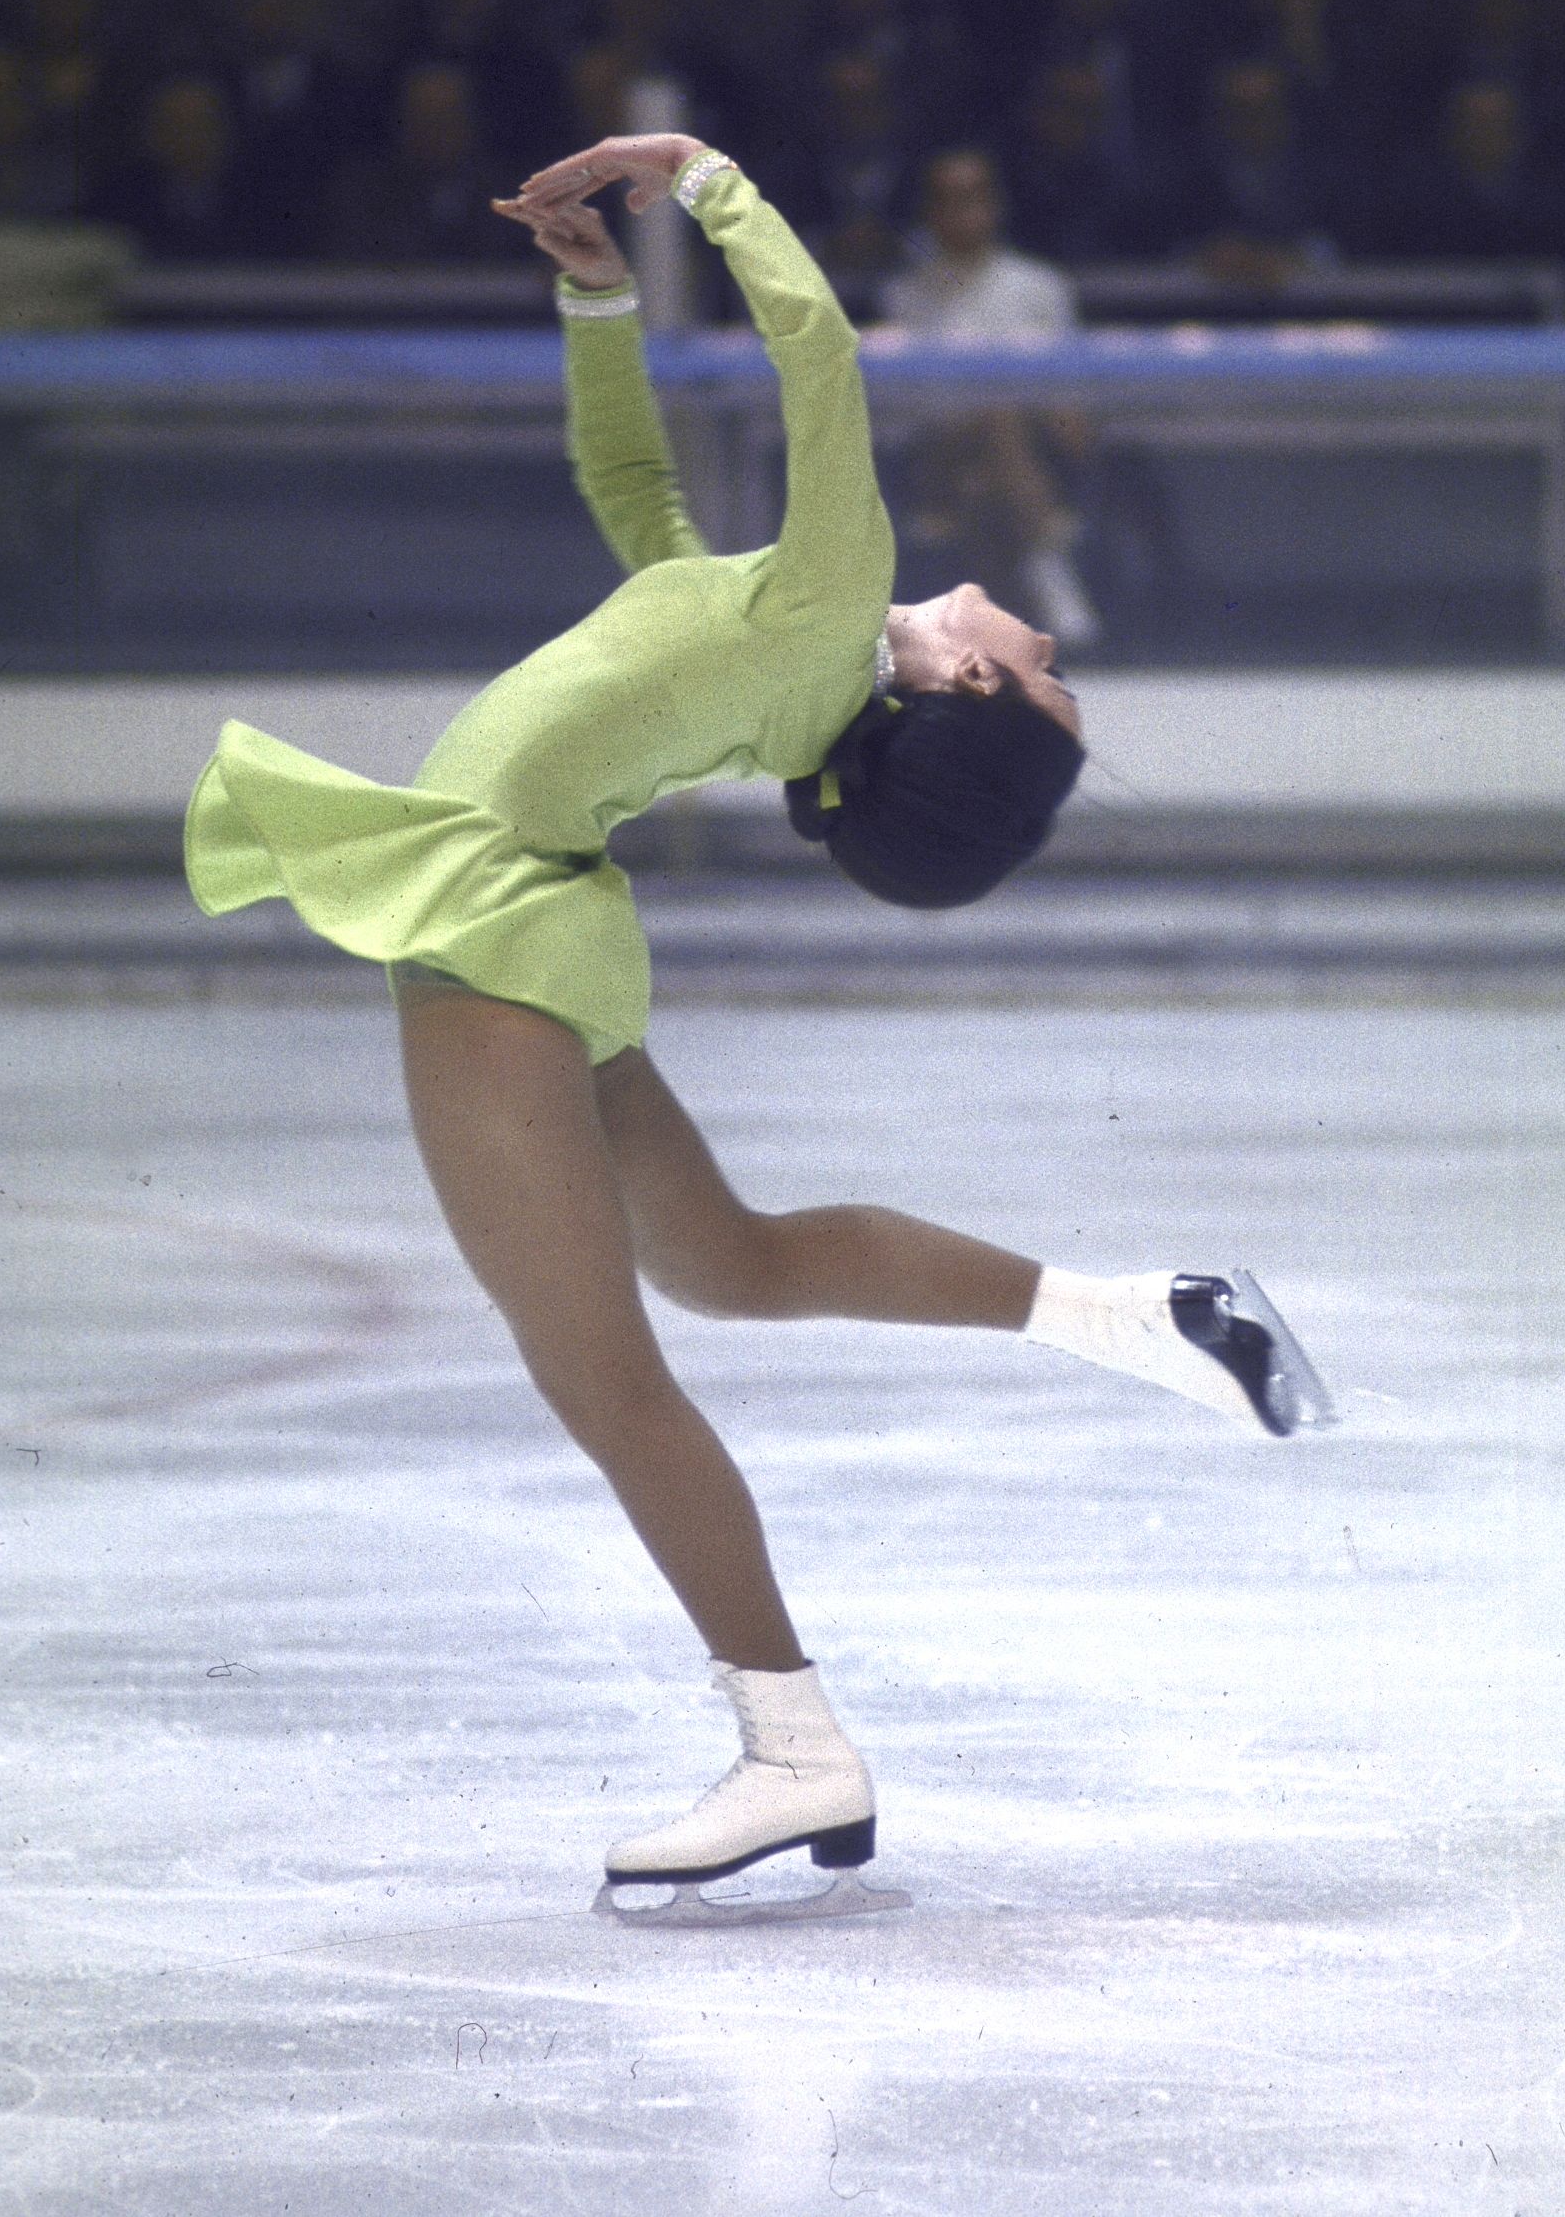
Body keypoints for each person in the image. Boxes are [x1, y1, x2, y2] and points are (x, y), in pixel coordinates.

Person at [183, 131, 1333, 1925]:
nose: (1037, 638)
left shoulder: (816, 608)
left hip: (493, 931)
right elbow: (628, 477)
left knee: (606, 1373)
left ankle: (792, 1750)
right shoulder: (789, 635)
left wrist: (706, 183)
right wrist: (593, 289)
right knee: (720, 1260)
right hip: (529, 911)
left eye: (1038, 669)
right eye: (1054, 663)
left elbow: (821, 357)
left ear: (955, 688)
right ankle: (1135, 1313)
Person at [881, 144, 1101, 649]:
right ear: (930, 211)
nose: (963, 212)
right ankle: (1048, 566)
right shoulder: (906, 295)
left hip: (1031, 450)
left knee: (991, 470)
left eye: (974, 197)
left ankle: (995, 613)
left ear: (995, 205)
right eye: (949, 199)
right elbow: (905, 405)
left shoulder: (1040, 286)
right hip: (934, 453)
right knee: (993, 429)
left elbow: (1067, 392)